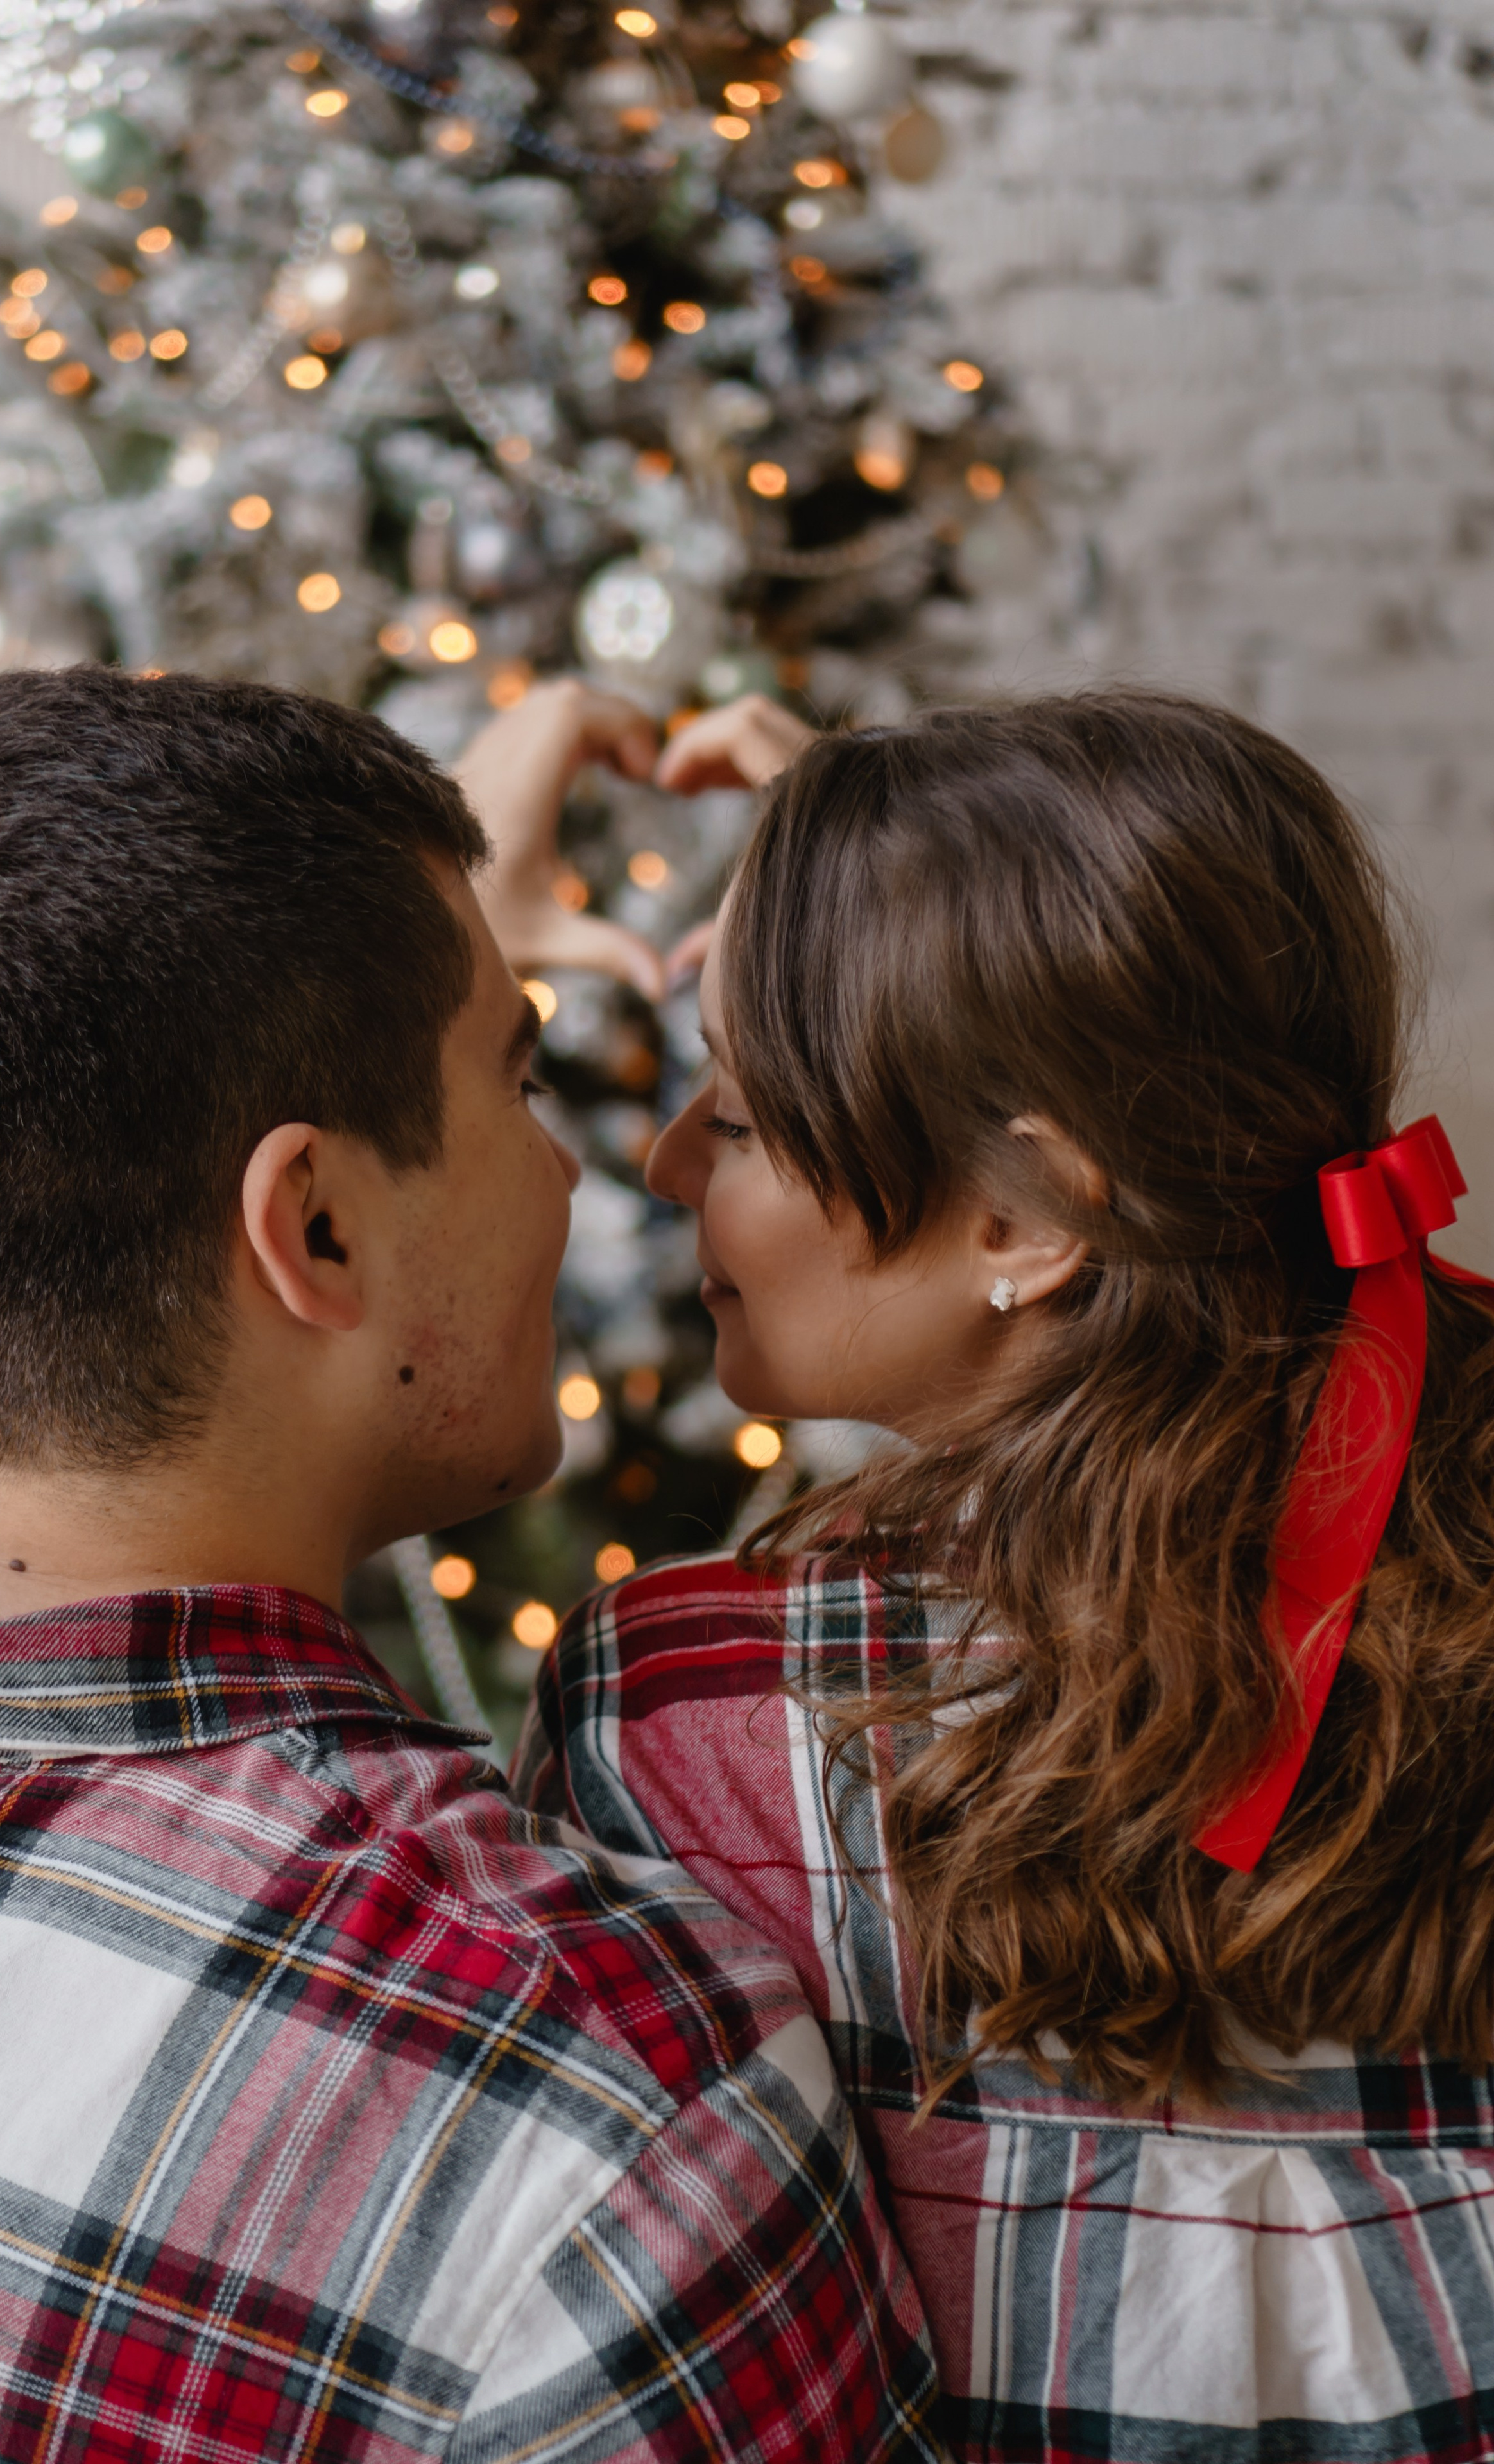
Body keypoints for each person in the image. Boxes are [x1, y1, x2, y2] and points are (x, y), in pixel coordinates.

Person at [0, 665, 947, 2464]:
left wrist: (417, 959)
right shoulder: (594, 2112)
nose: (594, 1171)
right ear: (318, 1224)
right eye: (518, 1075)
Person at [506, 690, 1494, 2463]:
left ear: (1028, 1222)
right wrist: (914, 905)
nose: (662, 1168)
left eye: (734, 1115)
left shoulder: (696, 1720)